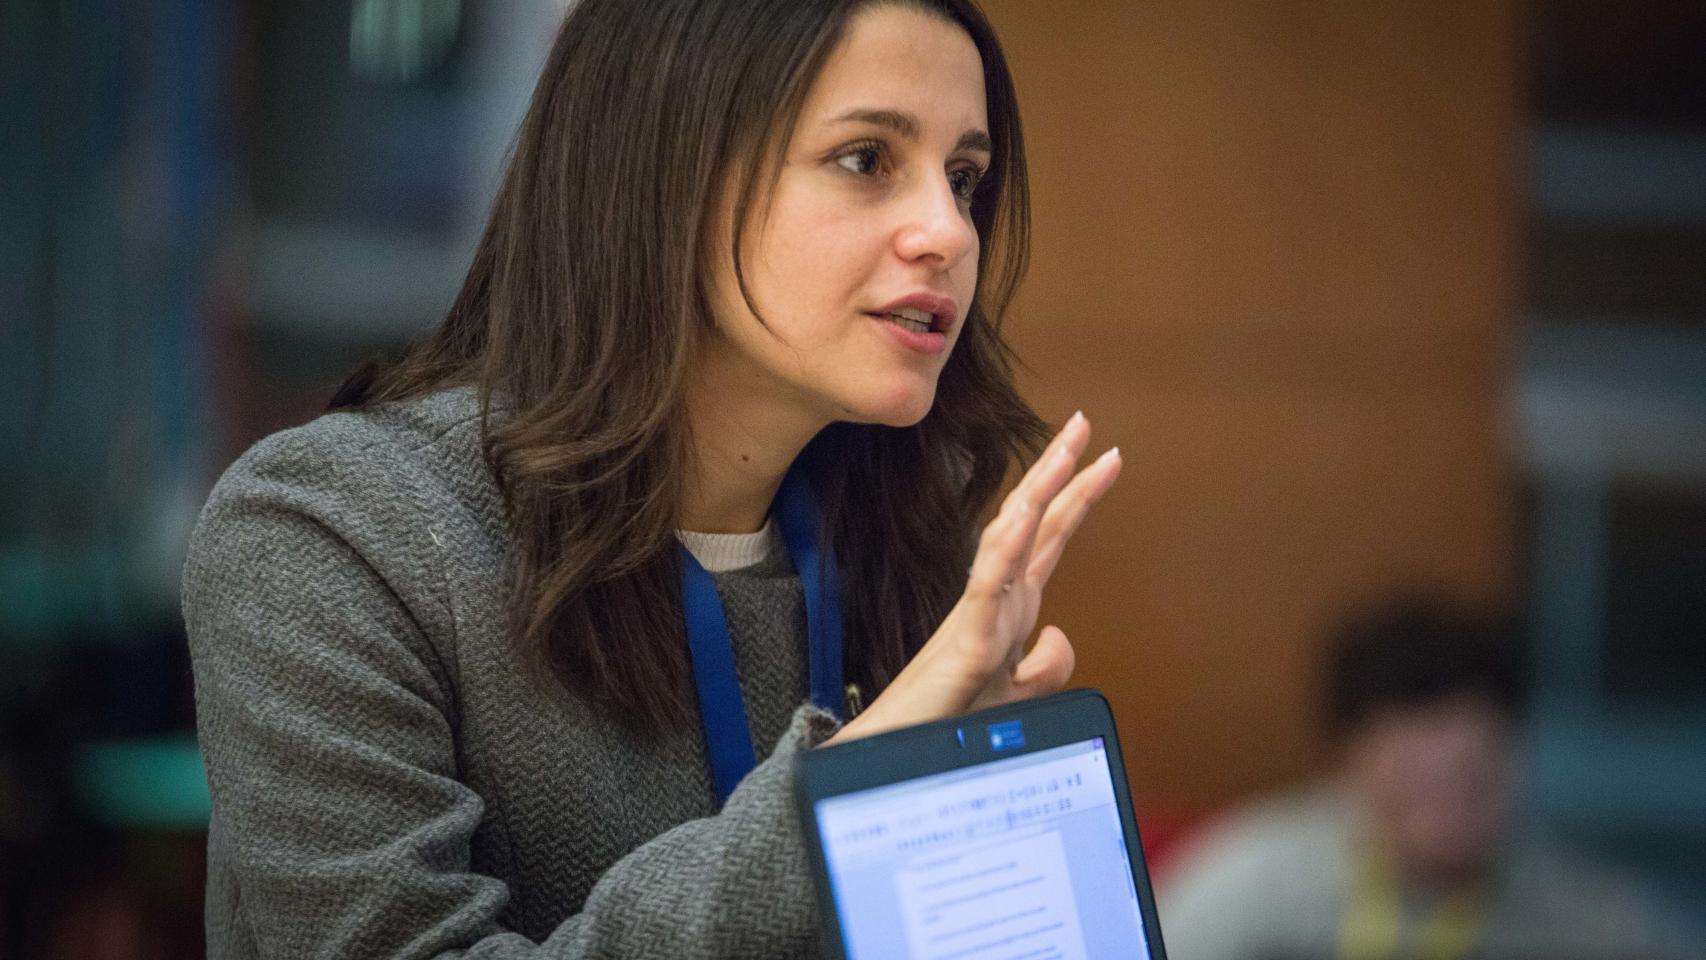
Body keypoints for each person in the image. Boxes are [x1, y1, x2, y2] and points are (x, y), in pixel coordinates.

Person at [182, 0, 1122, 957]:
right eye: (867, 159)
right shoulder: (331, 533)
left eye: (964, 179)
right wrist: (854, 790)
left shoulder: (910, 539)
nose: (950, 234)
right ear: (663, 173)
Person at [1156, 598, 1702, 960]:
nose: (1446, 821)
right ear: (1344, 765)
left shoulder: (1591, 923)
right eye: (1412, 789)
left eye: (1474, 785)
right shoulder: (1251, 881)